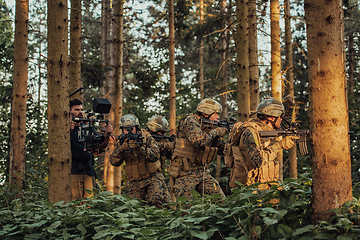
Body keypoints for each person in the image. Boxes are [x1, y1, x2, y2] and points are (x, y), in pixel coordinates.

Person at [225, 97, 299, 190]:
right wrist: (279, 145)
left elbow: (284, 125)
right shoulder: (250, 132)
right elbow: (258, 161)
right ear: (272, 117)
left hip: (264, 185)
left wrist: (290, 108)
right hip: (251, 188)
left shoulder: (266, 129)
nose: (281, 119)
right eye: (280, 116)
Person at [169, 98, 228, 201]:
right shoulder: (190, 120)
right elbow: (198, 141)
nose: (218, 117)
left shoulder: (210, 127)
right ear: (206, 114)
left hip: (202, 172)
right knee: (187, 209)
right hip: (185, 173)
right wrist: (217, 131)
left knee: (221, 202)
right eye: (216, 114)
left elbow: (221, 149)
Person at [110, 114, 171, 207]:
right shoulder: (122, 141)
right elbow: (114, 162)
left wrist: (140, 148)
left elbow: (155, 155)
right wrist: (121, 149)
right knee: (132, 210)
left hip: (152, 177)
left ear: (136, 127)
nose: (129, 131)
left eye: (131, 128)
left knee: (157, 203)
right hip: (134, 181)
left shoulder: (146, 136)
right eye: (126, 128)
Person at [70, 99, 113, 200]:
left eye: (81, 109)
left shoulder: (87, 127)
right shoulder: (64, 128)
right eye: (76, 109)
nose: (80, 112)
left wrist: (107, 135)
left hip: (88, 170)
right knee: (75, 201)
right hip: (73, 171)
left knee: (90, 202)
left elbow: (101, 145)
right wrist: (69, 130)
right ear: (69, 111)